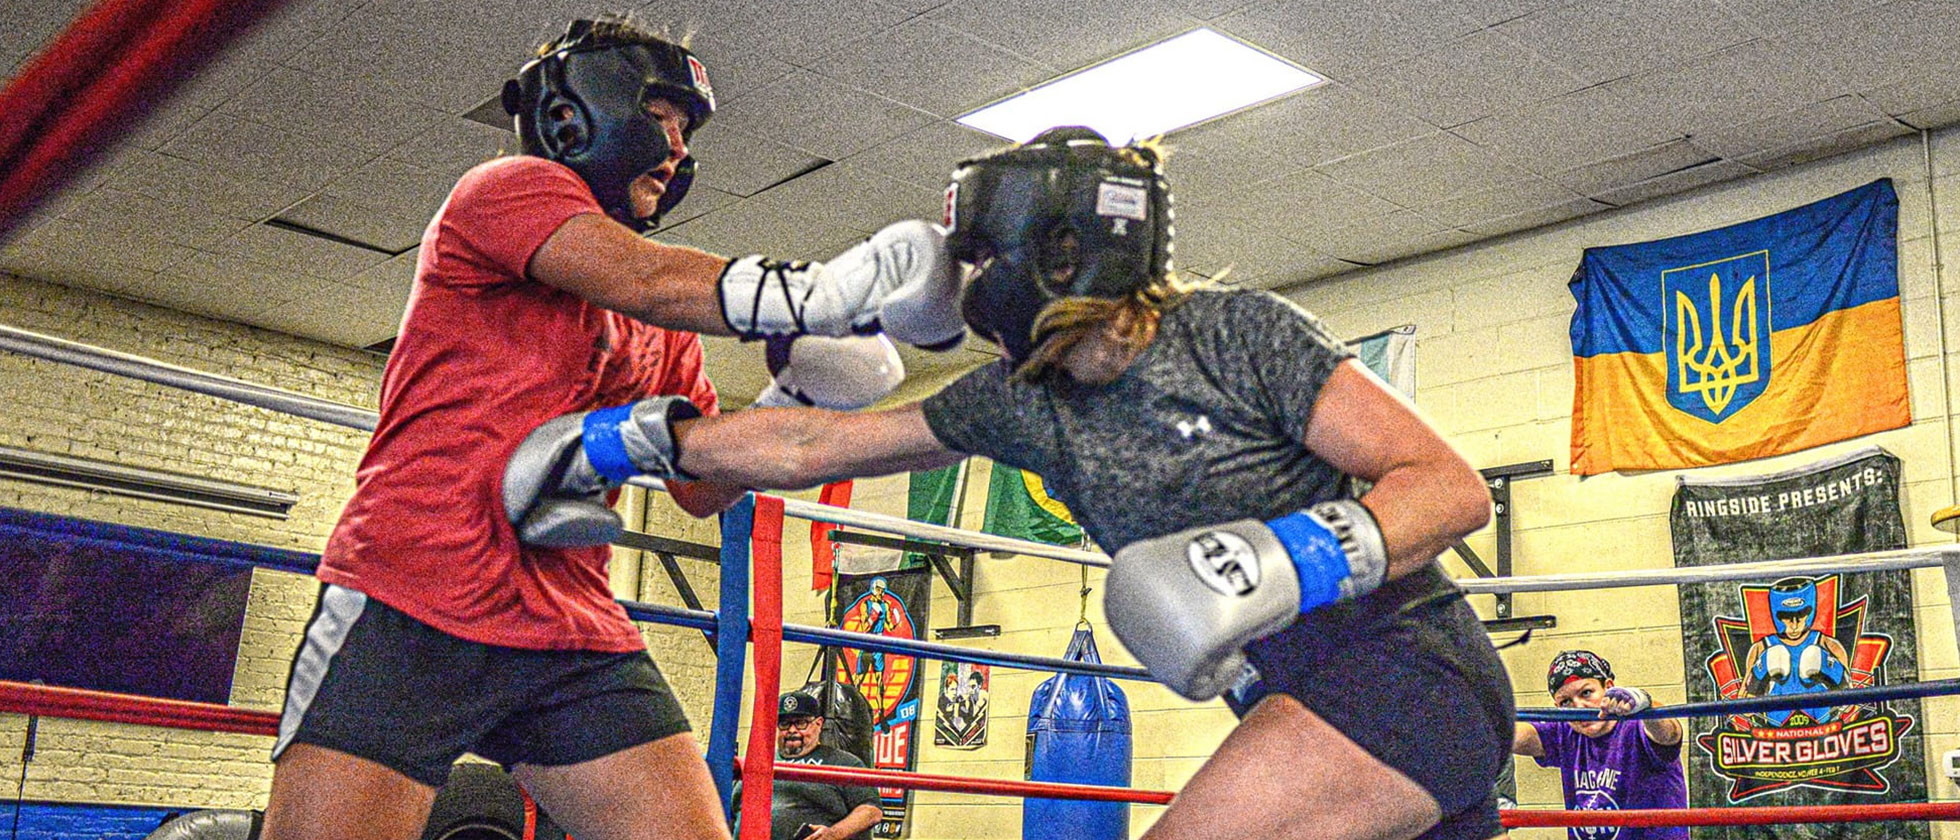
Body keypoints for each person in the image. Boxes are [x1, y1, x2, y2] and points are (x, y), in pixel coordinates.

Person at [517, 127, 1514, 840]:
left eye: (981, 254)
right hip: (1297, 700)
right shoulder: (1016, 400)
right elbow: (817, 449)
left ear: (1057, 250)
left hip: (1403, 674)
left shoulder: (1237, 334)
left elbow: (1446, 488)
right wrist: (628, 445)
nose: (965, 283)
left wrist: (1277, 557)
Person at [260, 16, 960, 840]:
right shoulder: (505, 192)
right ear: (576, 113)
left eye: (686, 132)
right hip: (410, 601)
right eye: (661, 119)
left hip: (569, 627)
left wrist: (804, 396)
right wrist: (848, 283)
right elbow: (649, 278)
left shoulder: (663, 327)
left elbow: (700, 488)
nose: (676, 151)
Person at [1513, 651, 1687, 840]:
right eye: (1566, 702)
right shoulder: (1565, 732)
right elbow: (1513, 736)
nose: (1579, 707)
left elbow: (1670, 734)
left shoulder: (1636, 726)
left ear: (1608, 686)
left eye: (1586, 693)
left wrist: (1645, 703)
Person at [734, 692, 885, 840]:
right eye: (785, 724)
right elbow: (729, 810)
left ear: (818, 724)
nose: (792, 730)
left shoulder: (843, 763)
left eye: (801, 723)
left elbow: (871, 811)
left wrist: (833, 834)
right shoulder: (758, 763)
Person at [1741, 576, 1848, 726]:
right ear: (1776, 615)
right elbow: (1745, 707)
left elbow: (1851, 698)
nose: (1795, 624)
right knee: (1774, 655)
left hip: (1823, 724)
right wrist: (1760, 679)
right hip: (1777, 727)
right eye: (1787, 617)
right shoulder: (1761, 647)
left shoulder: (1828, 644)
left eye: (1801, 615)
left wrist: (1831, 673)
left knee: (1814, 656)